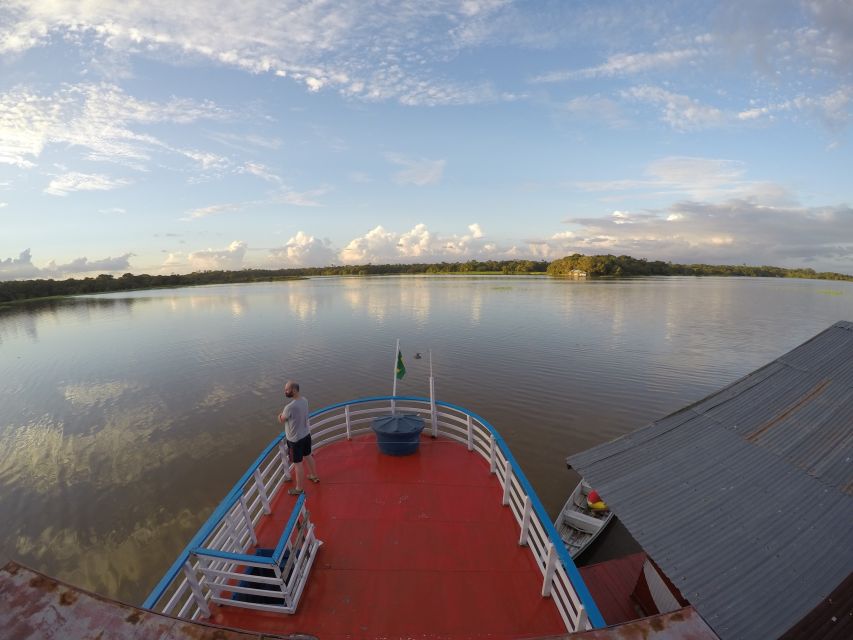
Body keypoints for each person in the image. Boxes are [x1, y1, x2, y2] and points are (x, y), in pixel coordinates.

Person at [278, 380, 319, 495]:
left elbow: (282, 419)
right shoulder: (304, 400)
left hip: (295, 440)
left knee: (298, 464)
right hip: (306, 435)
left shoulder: (289, 407)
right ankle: (314, 476)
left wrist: (279, 415)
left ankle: (299, 488)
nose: (285, 392)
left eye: (287, 389)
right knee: (308, 456)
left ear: (294, 390)